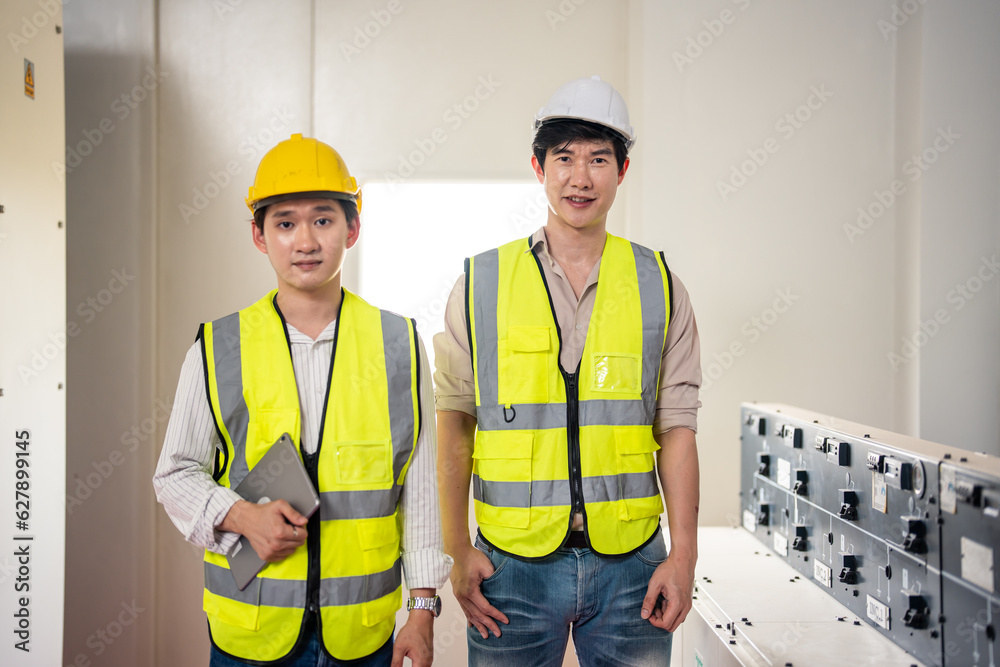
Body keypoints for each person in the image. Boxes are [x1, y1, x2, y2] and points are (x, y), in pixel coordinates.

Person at [154, 134, 451, 667]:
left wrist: (422, 610)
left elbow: (421, 489)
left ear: (352, 227)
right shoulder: (219, 347)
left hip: (362, 634)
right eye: (285, 223)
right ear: (259, 236)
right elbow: (174, 474)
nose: (305, 241)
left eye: (323, 219)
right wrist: (242, 516)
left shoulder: (399, 345)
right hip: (251, 635)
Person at [434, 76, 701, 666]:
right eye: (565, 158)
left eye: (599, 160)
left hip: (633, 566)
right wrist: (457, 548)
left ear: (622, 171)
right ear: (538, 167)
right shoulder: (480, 284)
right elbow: (454, 424)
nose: (581, 178)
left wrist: (683, 556)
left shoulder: (659, 285)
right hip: (512, 569)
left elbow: (677, 429)